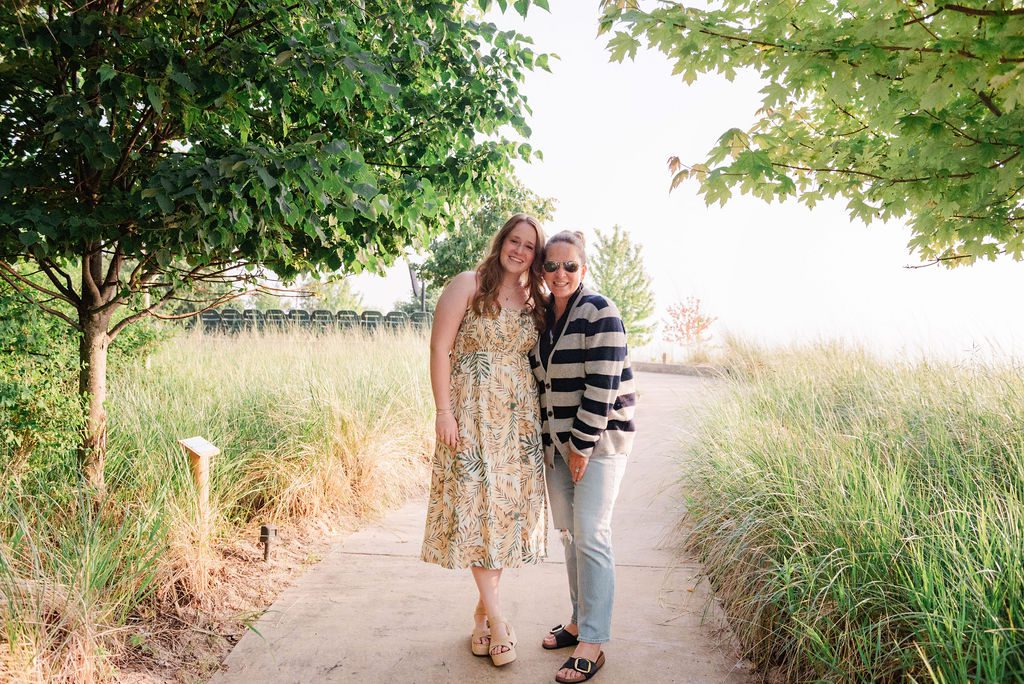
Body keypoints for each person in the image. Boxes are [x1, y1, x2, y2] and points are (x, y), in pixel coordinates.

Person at [420, 213, 549, 667]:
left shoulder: (536, 297)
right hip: (470, 415)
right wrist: (443, 411)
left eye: (529, 246)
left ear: (536, 254)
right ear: (502, 242)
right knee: (478, 512)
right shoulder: (467, 284)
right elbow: (440, 348)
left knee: (505, 515)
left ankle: (480, 615)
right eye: (514, 240)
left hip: (518, 421)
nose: (519, 250)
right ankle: (498, 622)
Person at [529, 230, 637, 683]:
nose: (561, 273)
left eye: (570, 265)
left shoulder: (600, 311)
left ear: (583, 269)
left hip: (598, 443)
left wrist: (580, 446)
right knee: (571, 536)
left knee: (592, 535)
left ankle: (594, 640)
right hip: (559, 445)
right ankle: (578, 620)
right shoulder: (543, 318)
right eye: (551, 266)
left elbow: (603, 384)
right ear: (541, 271)